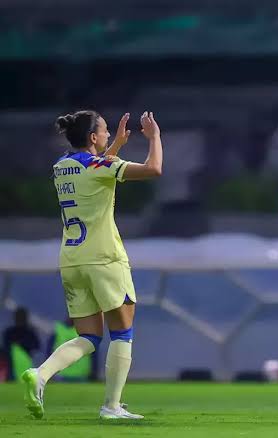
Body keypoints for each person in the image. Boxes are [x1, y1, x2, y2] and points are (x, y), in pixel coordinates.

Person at [22, 110, 163, 420]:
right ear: (93, 138)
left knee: (89, 336)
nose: (110, 135)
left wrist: (118, 147)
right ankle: (112, 407)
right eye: (105, 131)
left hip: (72, 260)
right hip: (104, 258)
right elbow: (154, 169)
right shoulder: (101, 165)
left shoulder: (61, 167)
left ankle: (41, 374)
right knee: (122, 332)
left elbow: (95, 172)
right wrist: (154, 137)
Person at [2, 307, 41, 380]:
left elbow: (37, 349)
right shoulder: (9, 333)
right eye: (19, 317)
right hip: (12, 369)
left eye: (21, 317)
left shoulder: (30, 333)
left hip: (27, 368)